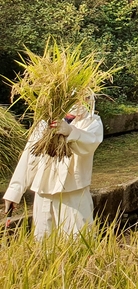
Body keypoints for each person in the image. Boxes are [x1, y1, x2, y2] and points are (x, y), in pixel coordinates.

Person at [3, 97, 103, 239]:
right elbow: (30, 157)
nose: (80, 101)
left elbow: (90, 143)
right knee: (43, 241)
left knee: (78, 240)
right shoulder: (46, 122)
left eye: (85, 97)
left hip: (73, 195)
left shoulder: (92, 121)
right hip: (43, 192)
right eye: (75, 97)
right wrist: (14, 192)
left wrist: (71, 132)